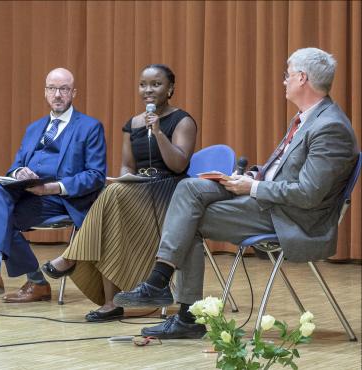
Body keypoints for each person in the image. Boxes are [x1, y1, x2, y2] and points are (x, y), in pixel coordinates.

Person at [113, 47, 359, 339]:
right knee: (189, 188)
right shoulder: (308, 117)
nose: (284, 81)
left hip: (294, 218)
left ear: (302, 79)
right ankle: (163, 287)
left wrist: (252, 187)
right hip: (270, 203)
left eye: (287, 75)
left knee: (188, 219)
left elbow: (308, 194)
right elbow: (281, 171)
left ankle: (179, 306)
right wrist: (250, 176)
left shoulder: (330, 127)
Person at [41, 64, 197, 321]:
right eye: (143, 84)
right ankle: (111, 303)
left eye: (156, 84)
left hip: (170, 194)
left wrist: (157, 132)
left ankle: (71, 257)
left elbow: (179, 164)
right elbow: (127, 166)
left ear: (170, 89)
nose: (148, 90)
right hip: (137, 190)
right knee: (110, 200)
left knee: (111, 197)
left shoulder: (183, 121)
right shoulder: (132, 124)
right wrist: (124, 179)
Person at [0, 67, 107, 303]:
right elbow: (14, 165)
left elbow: (96, 175)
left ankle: (34, 281)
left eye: (63, 89)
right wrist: (19, 171)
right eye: (52, 89)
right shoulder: (34, 128)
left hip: (61, 200)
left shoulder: (89, 127)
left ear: (73, 93)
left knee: (2, 219)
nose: (57, 94)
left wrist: (53, 188)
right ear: (45, 92)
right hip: (29, 195)